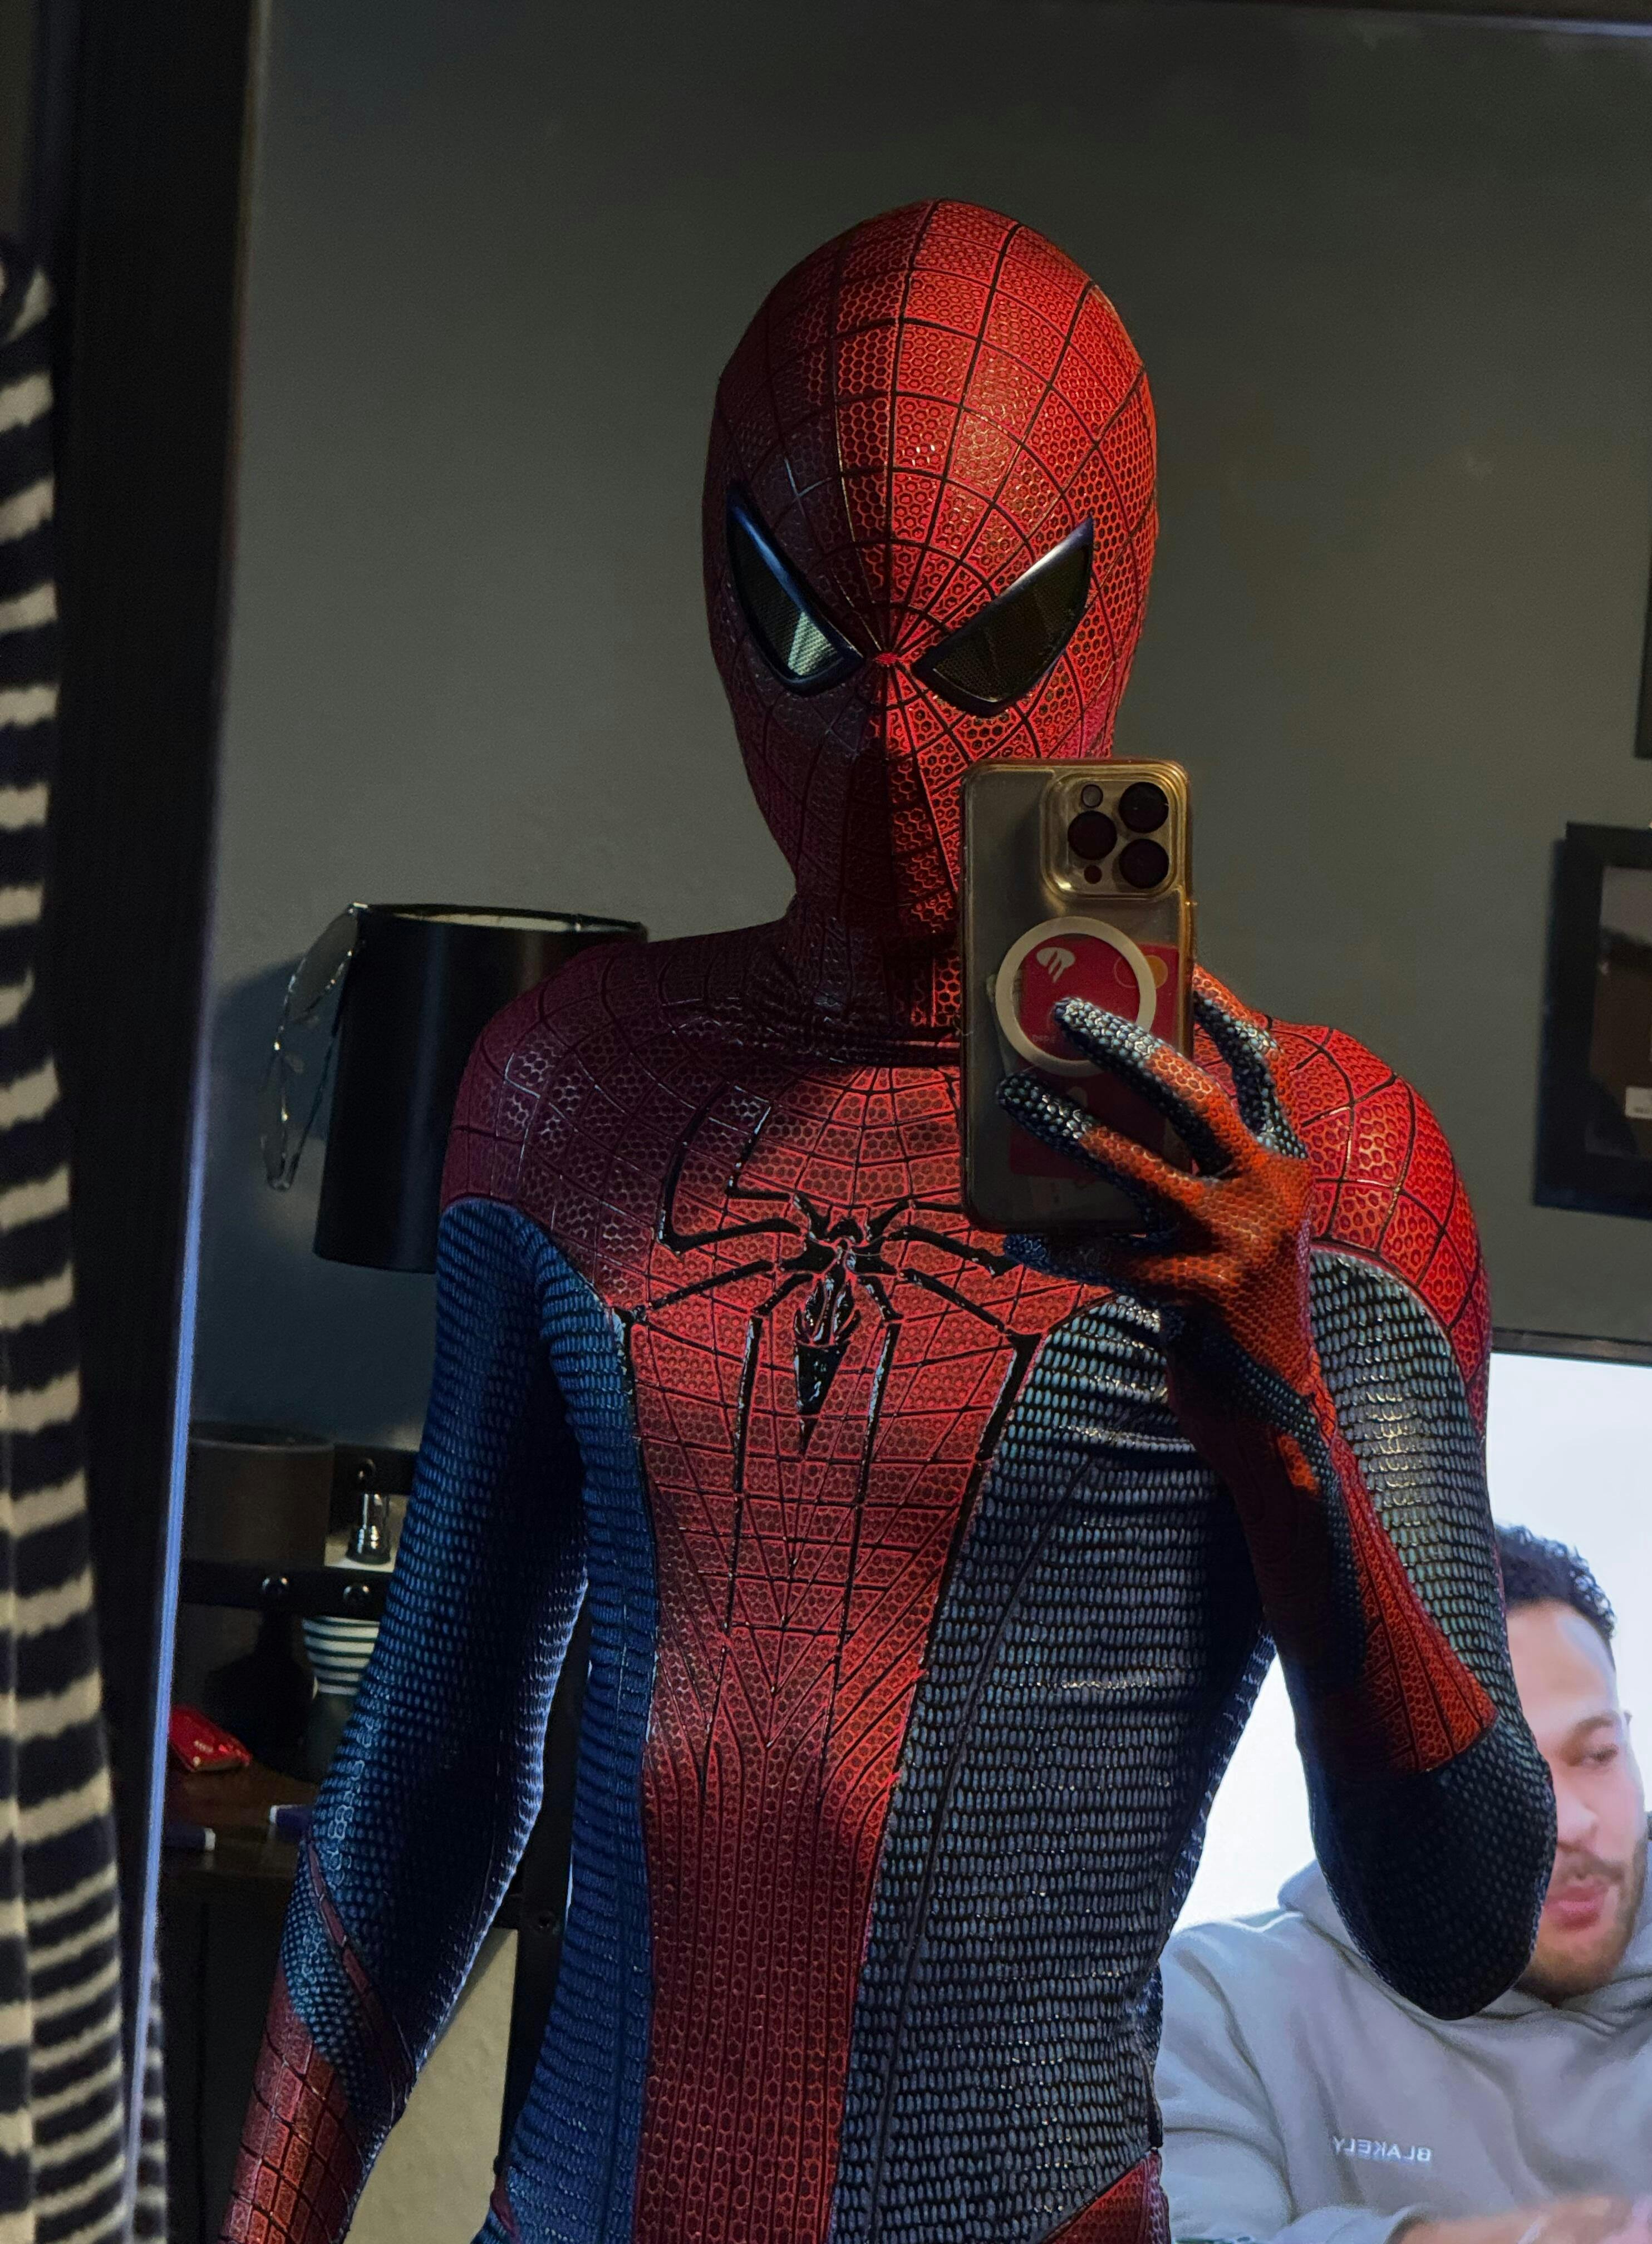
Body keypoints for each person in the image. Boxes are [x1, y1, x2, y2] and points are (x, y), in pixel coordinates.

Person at [221, 202, 1552, 2244]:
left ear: (1105, 585)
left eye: (978, 650)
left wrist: (1282, 1418)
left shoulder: (1310, 1164)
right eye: (817, 642)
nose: (889, 747)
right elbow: (428, 1766)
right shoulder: (576, 1084)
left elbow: (1463, 1923)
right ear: (722, 581)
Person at [1157, 1524, 1652, 2244]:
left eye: (1595, 1755)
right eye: (1500, 1775)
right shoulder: (1226, 2008)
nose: (1572, 1822)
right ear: (1385, 1795)